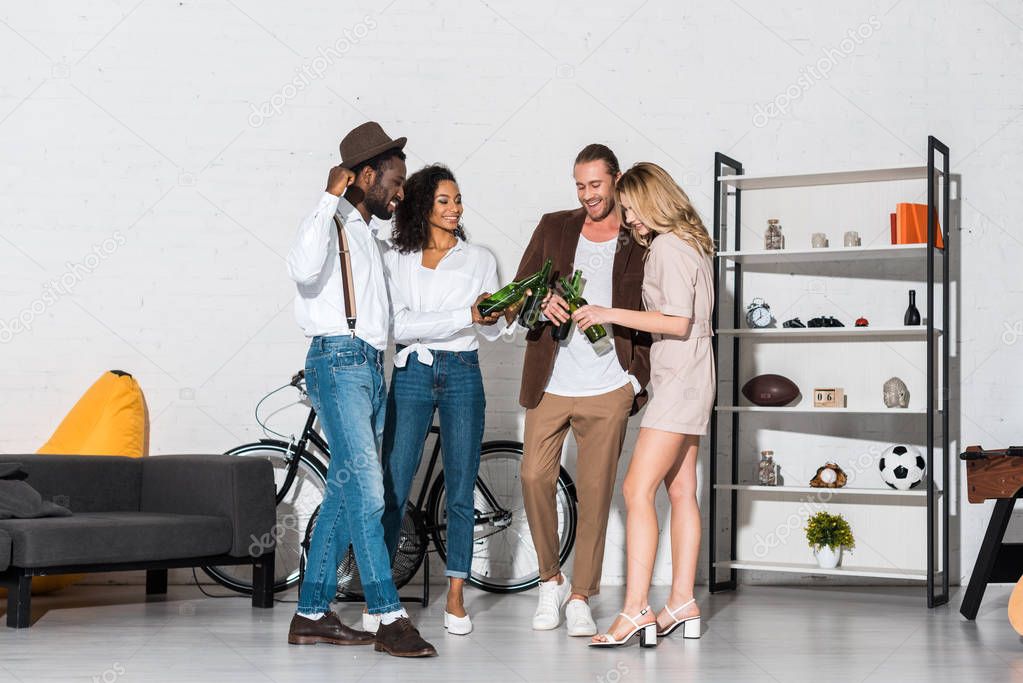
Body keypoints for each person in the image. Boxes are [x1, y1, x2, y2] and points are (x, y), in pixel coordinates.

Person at [285, 121, 437, 658]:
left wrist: (475, 314)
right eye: (393, 183)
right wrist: (327, 196)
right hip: (338, 363)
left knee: (344, 495)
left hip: (371, 369)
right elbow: (301, 269)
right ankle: (388, 615)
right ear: (365, 175)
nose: (400, 193)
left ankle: (311, 614)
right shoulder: (328, 225)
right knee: (371, 494)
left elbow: (396, 318)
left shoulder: (368, 240)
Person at [573, 162, 715, 648]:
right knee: (680, 493)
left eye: (632, 209)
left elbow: (676, 321)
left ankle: (636, 609)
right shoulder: (689, 243)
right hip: (694, 377)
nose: (630, 219)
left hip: (678, 381)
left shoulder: (669, 248)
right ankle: (680, 601)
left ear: (652, 201)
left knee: (636, 490)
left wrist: (607, 313)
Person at [514, 144, 652, 637]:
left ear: (615, 180)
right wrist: (542, 299)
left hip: (609, 384)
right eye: (579, 185)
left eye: (595, 185)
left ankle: (580, 596)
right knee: (533, 477)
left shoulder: (640, 236)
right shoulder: (554, 225)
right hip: (552, 380)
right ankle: (549, 579)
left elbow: (657, 309)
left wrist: (635, 379)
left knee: (595, 495)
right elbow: (519, 292)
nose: (587, 194)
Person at [378, 164, 510, 636]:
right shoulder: (397, 258)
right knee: (393, 487)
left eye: (458, 200)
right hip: (412, 372)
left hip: (462, 374)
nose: (456, 209)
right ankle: (382, 595)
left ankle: (455, 595)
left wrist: (497, 314)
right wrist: (465, 314)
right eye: (445, 201)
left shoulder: (478, 258)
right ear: (422, 206)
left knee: (459, 490)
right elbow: (399, 326)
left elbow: (492, 331)